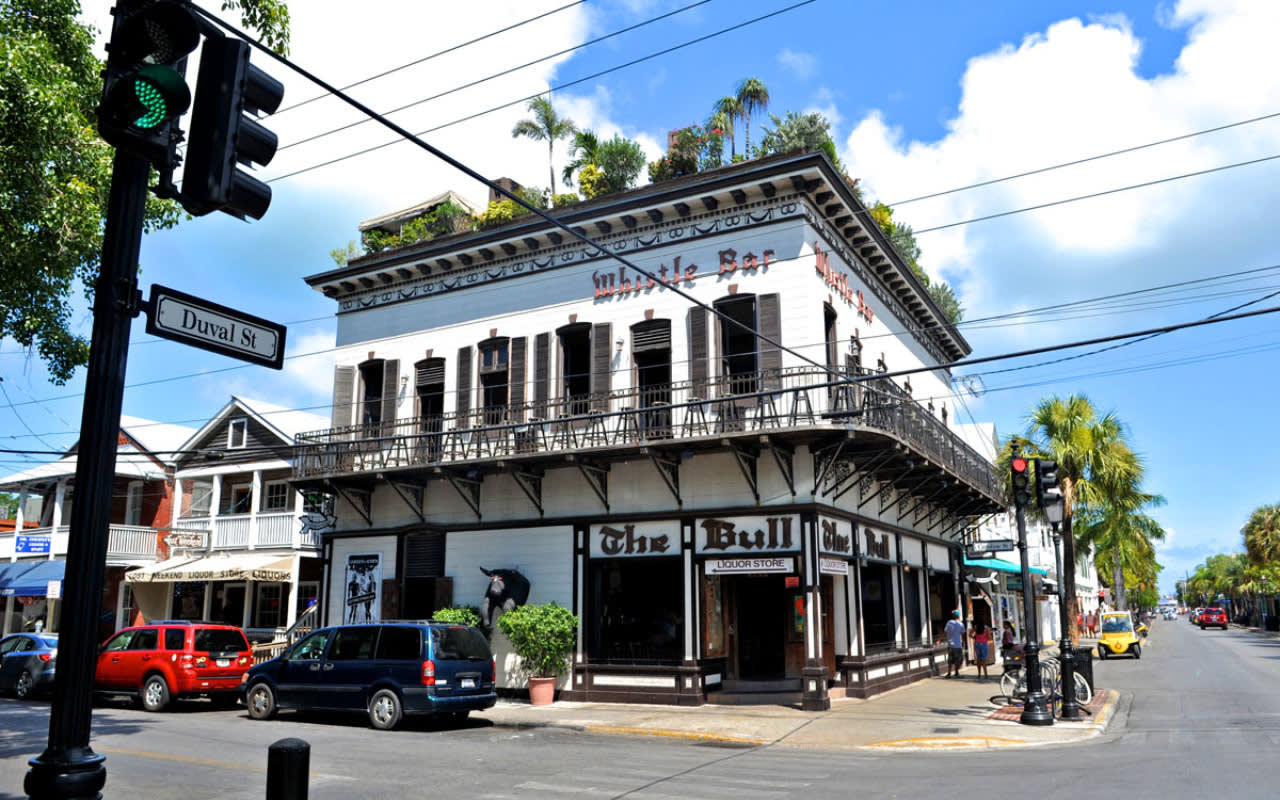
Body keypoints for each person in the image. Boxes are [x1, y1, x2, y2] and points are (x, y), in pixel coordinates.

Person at [943, 610, 966, 678]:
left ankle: (949, 673)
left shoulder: (949, 622)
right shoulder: (961, 624)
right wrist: (963, 642)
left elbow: (945, 632)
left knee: (950, 660)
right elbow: (963, 634)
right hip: (958, 645)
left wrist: (939, 640)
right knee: (958, 659)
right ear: (958, 616)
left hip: (950, 644)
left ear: (953, 616)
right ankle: (956, 673)